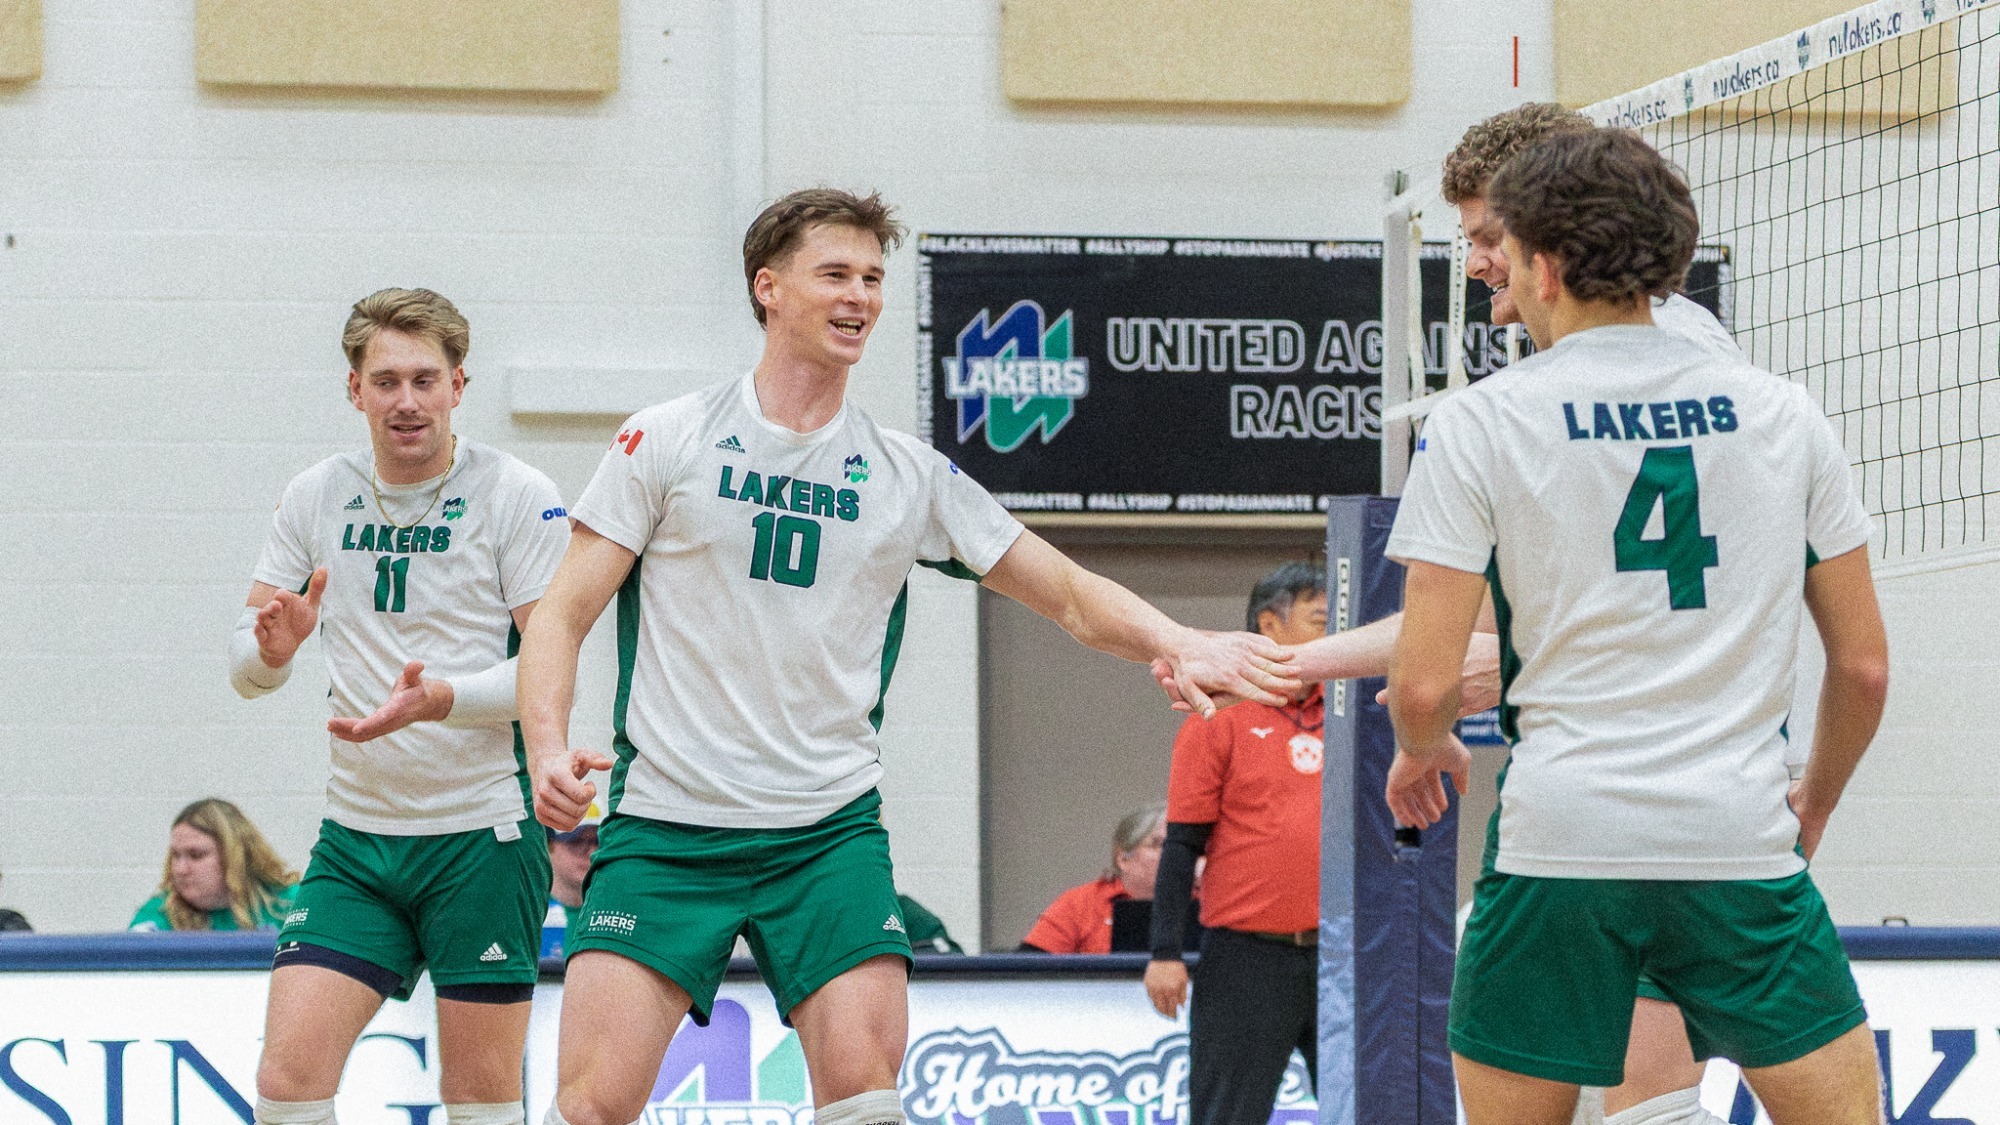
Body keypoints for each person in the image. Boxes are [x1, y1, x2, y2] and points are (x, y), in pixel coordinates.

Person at [517, 187, 1298, 1125]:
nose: (861, 297)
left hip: (826, 834)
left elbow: (1070, 595)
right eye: (836, 274)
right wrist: (546, 744)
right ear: (768, 287)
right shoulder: (669, 436)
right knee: (589, 1106)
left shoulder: (906, 474)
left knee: (866, 1101)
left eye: (874, 278)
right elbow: (560, 613)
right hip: (669, 827)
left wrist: (1178, 637)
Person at [1157, 103, 1770, 1125]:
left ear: (1550, 220)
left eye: (1487, 235)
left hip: (1636, 787)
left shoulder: (1567, 396)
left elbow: (1472, 648)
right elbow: (1487, 636)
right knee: (1612, 1092)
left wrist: (1422, 722)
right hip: (1688, 779)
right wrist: (1290, 669)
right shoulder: (1677, 359)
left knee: (1619, 1089)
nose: (1474, 261)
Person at [1383, 129, 1889, 1125]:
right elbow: (1862, 668)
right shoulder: (1785, 416)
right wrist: (1814, 798)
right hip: (1735, 843)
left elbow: (1422, 683)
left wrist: (1418, 745)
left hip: (1559, 842)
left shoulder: (1480, 423)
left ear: (1543, 264)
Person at [229, 288, 570, 1125]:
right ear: (355, 390)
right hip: (358, 840)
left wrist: (444, 698)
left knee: (481, 1099)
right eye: (385, 381)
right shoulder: (315, 494)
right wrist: (273, 650)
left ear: (460, 384)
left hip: (481, 838)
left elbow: (549, 667)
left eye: (425, 378)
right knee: (286, 1082)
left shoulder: (519, 492)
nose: (406, 401)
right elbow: (246, 664)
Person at [1144, 563, 1326, 1125]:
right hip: (1247, 958)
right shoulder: (1216, 714)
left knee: (1372, 1110)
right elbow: (1181, 845)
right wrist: (1165, 953)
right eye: (1322, 620)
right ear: (1270, 625)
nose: (1338, 632)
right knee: (1227, 1116)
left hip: (1345, 958)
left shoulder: (1354, 713)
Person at [1020, 800, 1174, 954]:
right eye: (1158, 844)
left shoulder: (1198, 899)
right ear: (1123, 859)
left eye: (1177, 847)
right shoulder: (1080, 904)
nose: (1172, 854)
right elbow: (1026, 968)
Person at [130, 798, 299, 932]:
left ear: (235, 857)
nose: (180, 870)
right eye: (175, 856)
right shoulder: (159, 914)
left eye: (196, 855)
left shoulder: (293, 904)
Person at [542, 806, 601, 961]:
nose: (592, 852)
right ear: (549, 845)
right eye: (577, 841)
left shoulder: (617, 912)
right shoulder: (528, 909)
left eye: (598, 841)